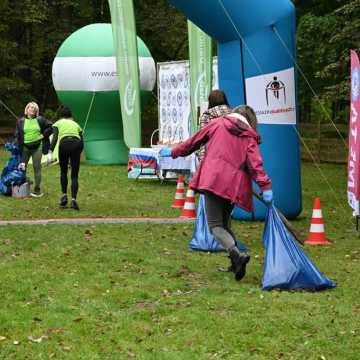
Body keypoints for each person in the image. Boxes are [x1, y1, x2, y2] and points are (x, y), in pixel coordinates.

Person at [159, 105, 273, 281]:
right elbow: (255, 165)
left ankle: (237, 255)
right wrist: (266, 187)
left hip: (213, 179)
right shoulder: (249, 136)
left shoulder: (217, 123)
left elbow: (193, 142)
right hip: (234, 185)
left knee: (215, 226)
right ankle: (235, 265)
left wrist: (173, 152)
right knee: (225, 224)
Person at [15, 101, 53, 197]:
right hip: (25, 148)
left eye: (34, 108)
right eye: (31, 107)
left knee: (37, 168)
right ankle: (21, 187)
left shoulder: (40, 119)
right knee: (22, 167)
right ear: (26, 110)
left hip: (37, 147)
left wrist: (43, 135)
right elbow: (17, 135)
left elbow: (51, 127)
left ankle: (37, 189)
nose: (33, 109)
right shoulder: (21, 121)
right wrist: (15, 145)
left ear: (36, 111)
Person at [49, 107, 83, 210]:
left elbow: (54, 138)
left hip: (64, 145)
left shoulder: (57, 123)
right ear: (70, 116)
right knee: (74, 175)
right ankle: (74, 200)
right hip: (76, 145)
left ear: (61, 116)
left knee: (63, 172)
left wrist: (50, 152)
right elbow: (82, 142)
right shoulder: (76, 124)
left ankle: (64, 196)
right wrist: (78, 152)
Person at [198, 89, 231, 160]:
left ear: (210, 101)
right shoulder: (234, 114)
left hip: (212, 157)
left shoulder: (207, 116)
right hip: (230, 156)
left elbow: (203, 138)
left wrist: (202, 159)